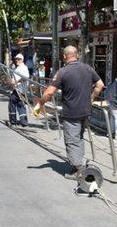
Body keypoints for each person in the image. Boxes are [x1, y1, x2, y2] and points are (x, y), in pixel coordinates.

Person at [34, 46, 104, 179]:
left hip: (71, 113)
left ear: (65, 56)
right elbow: (100, 84)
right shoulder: (88, 68)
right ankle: (78, 165)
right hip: (85, 111)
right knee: (79, 138)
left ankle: (79, 171)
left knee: (72, 141)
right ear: (77, 55)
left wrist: (40, 103)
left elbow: (49, 92)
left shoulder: (63, 72)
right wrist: (92, 98)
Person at [8, 53, 30, 127]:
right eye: (16, 59)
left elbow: (25, 77)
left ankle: (13, 121)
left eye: (18, 59)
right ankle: (23, 122)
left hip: (20, 89)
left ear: (22, 60)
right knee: (21, 105)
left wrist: (17, 81)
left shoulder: (24, 67)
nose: (16, 60)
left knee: (12, 103)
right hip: (18, 89)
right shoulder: (18, 68)